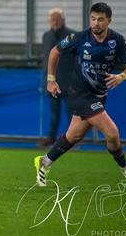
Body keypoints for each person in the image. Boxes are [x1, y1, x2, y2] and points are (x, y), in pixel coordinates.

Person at [35, 2, 126, 188]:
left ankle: (44, 162)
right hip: (80, 94)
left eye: (100, 19)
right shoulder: (78, 38)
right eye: (93, 19)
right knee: (112, 133)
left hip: (99, 95)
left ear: (109, 21)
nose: (96, 23)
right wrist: (51, 80)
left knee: (73, 136)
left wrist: (122, 76)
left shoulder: (117, 40)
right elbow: (55, 52)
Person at [38, 8, 75, 147]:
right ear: (49, 21)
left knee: (71, 113)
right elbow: (46, 58)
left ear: (63, 21)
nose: (55, 22)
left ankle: (72, 139)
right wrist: (47, 79)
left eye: (57, 19)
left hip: (69, 82)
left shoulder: (72, 36)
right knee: (54, 114)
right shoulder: (46, 36)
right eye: (52, 20)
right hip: (51, 82)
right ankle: (51, 138)